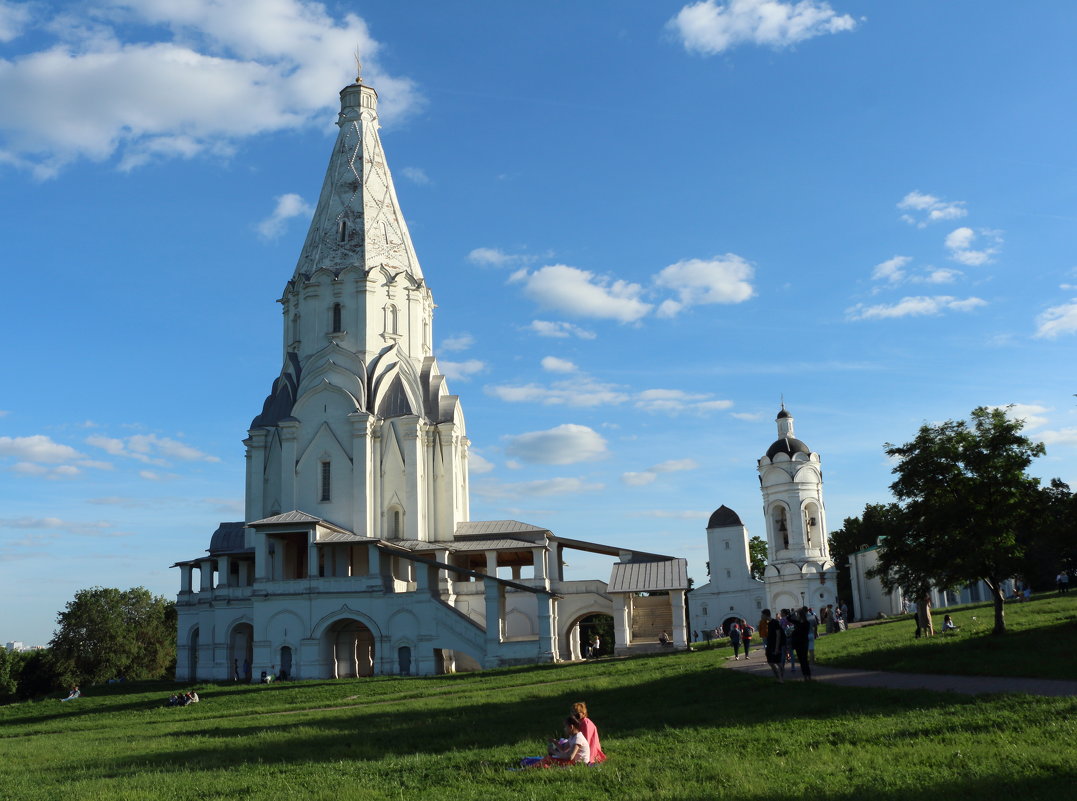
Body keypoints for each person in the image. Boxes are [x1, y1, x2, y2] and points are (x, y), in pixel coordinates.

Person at [761, 609, 784, 682]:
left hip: (775, 645)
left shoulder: (775, 622)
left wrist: (777, 647)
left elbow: (778, 635)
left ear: (766, 615)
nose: (761, 616)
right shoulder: (767, 623)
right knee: (770, 662)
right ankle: (778, 677)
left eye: (762, 615)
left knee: (778, 662)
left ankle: (780, 679)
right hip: (769, 645)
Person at [790, 607, 812, 680]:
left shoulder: (805, 623)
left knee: (804, 660)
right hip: (798, 643)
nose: (797, 616)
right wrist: (794, 611)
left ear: (801, 615)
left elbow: (804, 632)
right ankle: (806, 676)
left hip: (803, 643)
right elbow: (788, 618)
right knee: (802, 660)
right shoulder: (798, 623)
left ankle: (808, 675)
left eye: (798, 615)